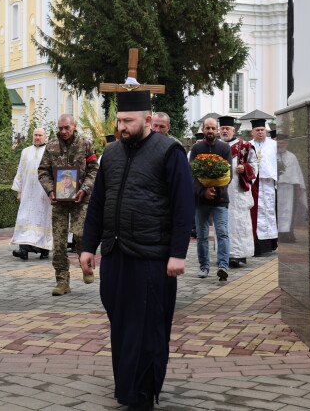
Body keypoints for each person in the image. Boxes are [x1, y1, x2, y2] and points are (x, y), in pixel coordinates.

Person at [80, 90, 194, 411]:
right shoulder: (112, 154)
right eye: (119, 120)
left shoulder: (169, 151)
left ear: (147, 120)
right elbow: (98, 204)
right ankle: (126, 387)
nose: (122, 126)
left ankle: (144, 393)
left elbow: (183, 205)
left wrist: (177, 253)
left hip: (152, 257)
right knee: (122, 322)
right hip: (116, 254)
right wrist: (89, 247)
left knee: (147, 325)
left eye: (128, 121)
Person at [38, 114, 99, 296]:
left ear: (74, 126)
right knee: (59, 243)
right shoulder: (51, 146)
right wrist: (50, 190)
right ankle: (62, 281)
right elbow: (43, 171)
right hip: (59, 201)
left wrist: (85, 189)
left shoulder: (85, 144)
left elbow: (94, 169)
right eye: (60, 128)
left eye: (67, 128)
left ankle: (84, 263)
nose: (63, 131)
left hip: (81, 199)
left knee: (80, 234)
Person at [189, 118, 233, 281]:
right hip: (201, 201)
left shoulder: (224, 148)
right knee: (201, 235)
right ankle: (204, 266)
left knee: (222, 233)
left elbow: (229, 175)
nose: (210, 130)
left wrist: (216, 190)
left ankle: (223, 265)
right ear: (203, 129)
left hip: (220, 199)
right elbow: (192, 174)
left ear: (217, 130)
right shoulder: (196, 148)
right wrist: (203, 191)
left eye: (213, 128)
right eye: (207, 128)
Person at [218, 116, 257, 268]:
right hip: (221, 191)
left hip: (238, 191)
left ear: (234, 130)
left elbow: (254, 165)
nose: (225, 130)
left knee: (239, 222)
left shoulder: (244, 146)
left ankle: (240, 254)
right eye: (222, 128)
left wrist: (245, 168)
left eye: (227, 128)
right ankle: (224, 254)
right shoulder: (215, 146)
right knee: (222, 222)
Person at [10, 127, 52, 260]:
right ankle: (23, 250)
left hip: (43, 194)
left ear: (45, 137)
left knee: (42, 220)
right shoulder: (25, 152)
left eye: (40, 135)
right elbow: (20, 171)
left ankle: (44, 249)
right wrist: (19, 190)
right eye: (35, 135)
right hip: (28, 193)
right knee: (24, 218)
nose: (37, 137)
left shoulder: (50, 152)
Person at [249, 118, 278, 255]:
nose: (260, 132)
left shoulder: (273, 144)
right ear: (252, 132)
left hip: (268, 183)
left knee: (269, 212)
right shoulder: (248, 145)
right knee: (257, 212)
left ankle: (271, 242)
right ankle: (257, 242)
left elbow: (277, 162)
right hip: (254, 184)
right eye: (257, 130)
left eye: (262, 130)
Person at [276, 136, 305, 243]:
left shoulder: (291, 157)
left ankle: (288, 234)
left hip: (289, 188)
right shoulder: (271, 155)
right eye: (279, 143)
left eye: (283, 143)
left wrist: (298, 187)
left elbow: (296, 173)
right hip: (276, 186)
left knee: (290, 211)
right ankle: (276, 234)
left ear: (287, 144)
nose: (281, 145)